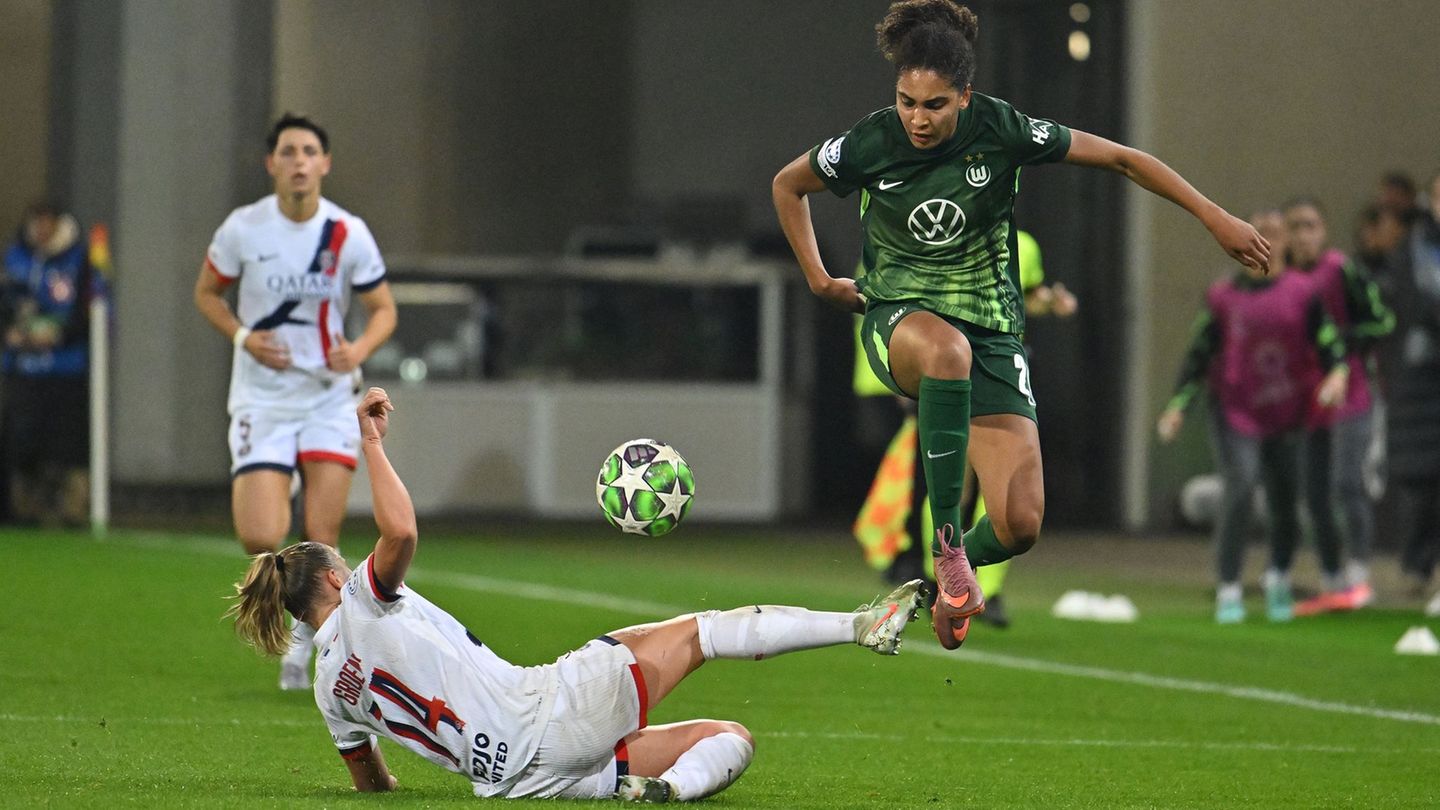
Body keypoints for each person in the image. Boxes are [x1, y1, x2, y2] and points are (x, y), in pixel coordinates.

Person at [772, 0, 1268, 649]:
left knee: (1020, 521)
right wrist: (817, 277)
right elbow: (789, 184)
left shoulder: (1002, 129)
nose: (918, 119)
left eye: (935, 105)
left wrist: (1214, 217)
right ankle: (947, 555)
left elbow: (1120, 158)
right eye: (907, 102)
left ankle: (943, 584)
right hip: (900, 320)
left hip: (991, 333)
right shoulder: (870, 141)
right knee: (945, 351)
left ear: (965, 97)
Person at [229, 387, 925, 802]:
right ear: (331, 580)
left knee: (728, 737)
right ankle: (860, 624)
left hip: (516, 782)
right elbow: (401, 530)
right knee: (704, 631)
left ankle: (666, 790)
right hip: (547, 710)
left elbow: (372, 784)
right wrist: (370, 442)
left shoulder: (326, 687)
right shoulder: (363, 601)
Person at [195, 114, 398, 689]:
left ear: (325, 164)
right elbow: (206, 292)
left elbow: (384, 308)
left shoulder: (347, 232)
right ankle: (274, 479)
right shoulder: (244, 228)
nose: (300, 161)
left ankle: (302, 650)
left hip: (328, 401)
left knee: (321, 534)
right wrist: (242, 336)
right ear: (272, 164)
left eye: (310, 151)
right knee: (262, 535)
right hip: (262, 398)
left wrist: (357, 347)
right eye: (289, 151)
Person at [852, 230, 1075, 629]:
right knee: (951, 484)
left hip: (999, 370)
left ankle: (983, 587)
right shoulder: (929, 225)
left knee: (1004, 493)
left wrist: (1053, 304)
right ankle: (935, 575)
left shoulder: (1024, 243)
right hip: (947, 370)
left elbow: (1028, 296)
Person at [1156, 211, 1349, 623]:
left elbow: (1331, 344)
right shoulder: (1224, 297)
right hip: (1235, 411)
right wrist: (1178, 406)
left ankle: (1277, 575)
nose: (1267, 241)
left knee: (1284, 502)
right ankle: (1229, 586)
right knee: (1240, 488)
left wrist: (1337, 375)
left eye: (1274, 235)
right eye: (1259, 233)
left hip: (1288, 413)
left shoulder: (1303, 293)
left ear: (1284, 244)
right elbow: (1199, 353)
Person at [1282, 198, 1394, 614]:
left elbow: (1383, 320)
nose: (1304, 235)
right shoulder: (1284, 280)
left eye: (1311, 225)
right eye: (1296, 226)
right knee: (1312, 492)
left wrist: (1339, 346)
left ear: (1323, 232)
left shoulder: (1341, 271)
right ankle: (1331, 576)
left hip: (1353, 392)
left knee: (1348, 482)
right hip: (1307, 399)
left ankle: (1359, 572)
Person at [1, 201, 107, 526]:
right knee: (21, 441)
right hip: (22, 369)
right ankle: (22, 509)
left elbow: (85, 314)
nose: (42, 229)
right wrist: (13, 332)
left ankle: (71, 509)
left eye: (48, 222)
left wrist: (57, 336)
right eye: (37, 222)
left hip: (65, 370)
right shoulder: (16, 257)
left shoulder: (80, 259)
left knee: (65, 443)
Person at [1387, 172, 1440, 598]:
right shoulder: (1410, 252)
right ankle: (1416, 568)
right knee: (1421, 481)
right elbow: (1408, 308)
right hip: (1421, 383)